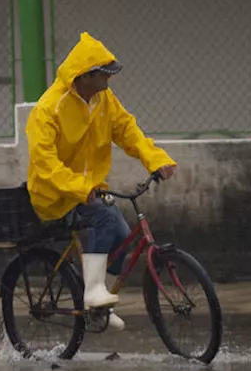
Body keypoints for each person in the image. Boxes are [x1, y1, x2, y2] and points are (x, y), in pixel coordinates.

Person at [25, 32, 178, 331]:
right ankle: (93, 293)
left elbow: (127, 130)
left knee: (122, 250)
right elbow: (45, 165)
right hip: (53, 196)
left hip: (88, 193)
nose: (109, 80)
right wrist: (82, 188)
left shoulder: (103, 100)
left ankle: (96, 303)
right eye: (104, 75)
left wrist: (156, 159)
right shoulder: (48, 109)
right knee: (104, 220)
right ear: (84, 76)